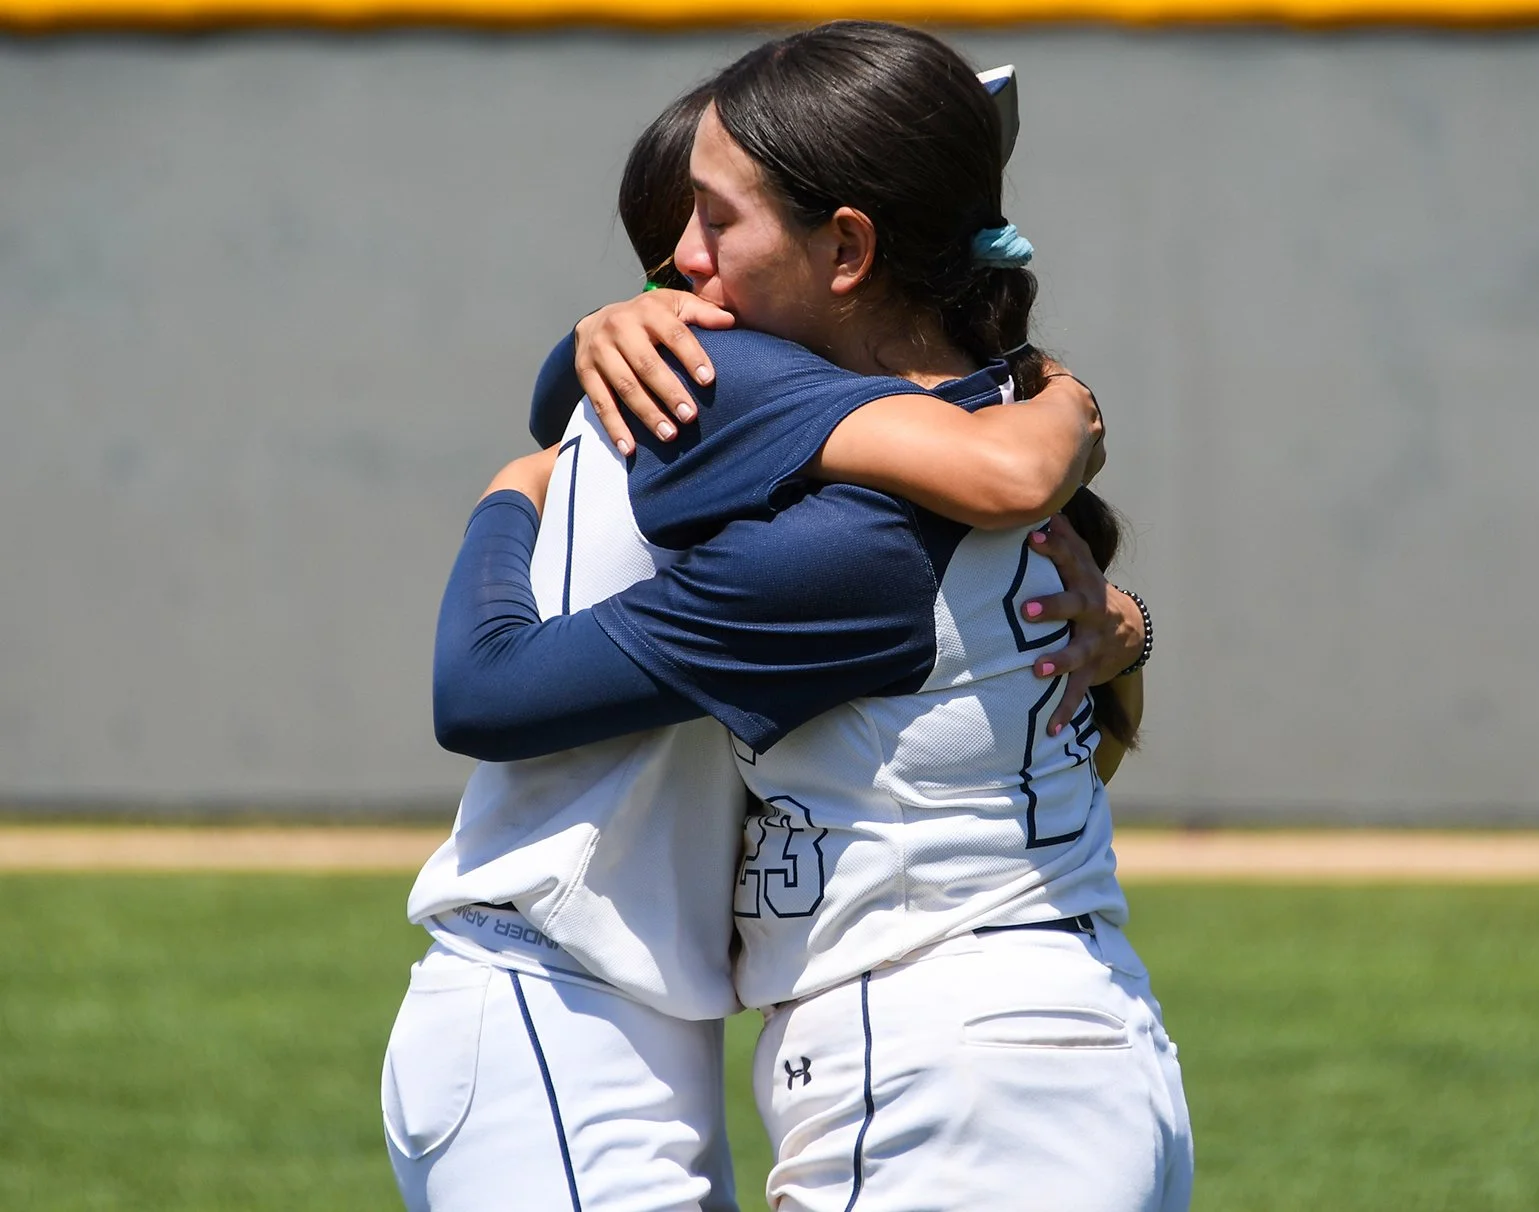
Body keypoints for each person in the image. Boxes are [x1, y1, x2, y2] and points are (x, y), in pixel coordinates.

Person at [429, 21, 1188, 1212]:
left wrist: (507, 491)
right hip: (1091, 1037)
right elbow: (1079, 728)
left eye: (710, 226)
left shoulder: (837, 518)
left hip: (945, 1072)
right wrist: (1119, 601)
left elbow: (484, 690)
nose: (678, 279)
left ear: (847, 249)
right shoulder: (996, 399)